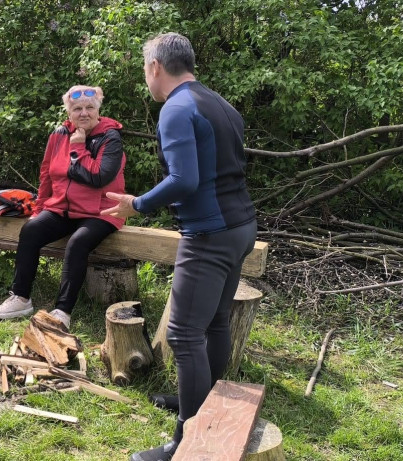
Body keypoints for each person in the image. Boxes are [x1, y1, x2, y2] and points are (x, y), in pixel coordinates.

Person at [102, 33, 257, 461]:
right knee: (215, 322)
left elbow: (185, 180)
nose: (145, 77)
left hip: (209, 235)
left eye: (143, 69)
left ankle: (186, 440)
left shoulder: (176, 109)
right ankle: (203, 400)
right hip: (241, 226)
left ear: (155, 66)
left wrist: (138, 204)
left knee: (183, 334)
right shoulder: (220, 104)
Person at [0, 85, 126, 329]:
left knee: (78, 242)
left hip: (100, 212)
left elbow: (98, 177)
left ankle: (62, 312)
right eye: (77, 109)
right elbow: (46, 175)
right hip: (64, 208)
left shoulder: (110, 137)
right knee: (31, 230)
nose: (84, 113)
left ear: (98, 110)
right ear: (69, 112)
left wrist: (79, 147)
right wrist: (40, 210)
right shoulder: (59, 134)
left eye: (89, 108)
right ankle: (20, 297)